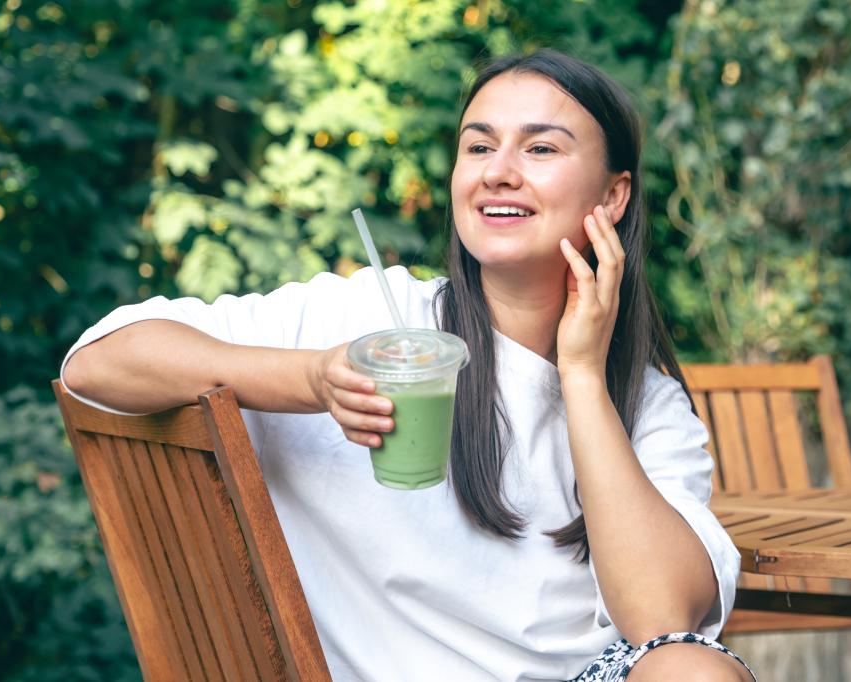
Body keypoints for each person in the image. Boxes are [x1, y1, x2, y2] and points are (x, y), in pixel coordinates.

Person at [61, 49, 755, 682]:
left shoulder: (648, 404)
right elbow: (98, 362)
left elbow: (662, 625)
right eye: (477, 146)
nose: (497, 171)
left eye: (540, 147)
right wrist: (310, 380)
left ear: (612, 196)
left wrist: (579, 375)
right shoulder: (369, 324)